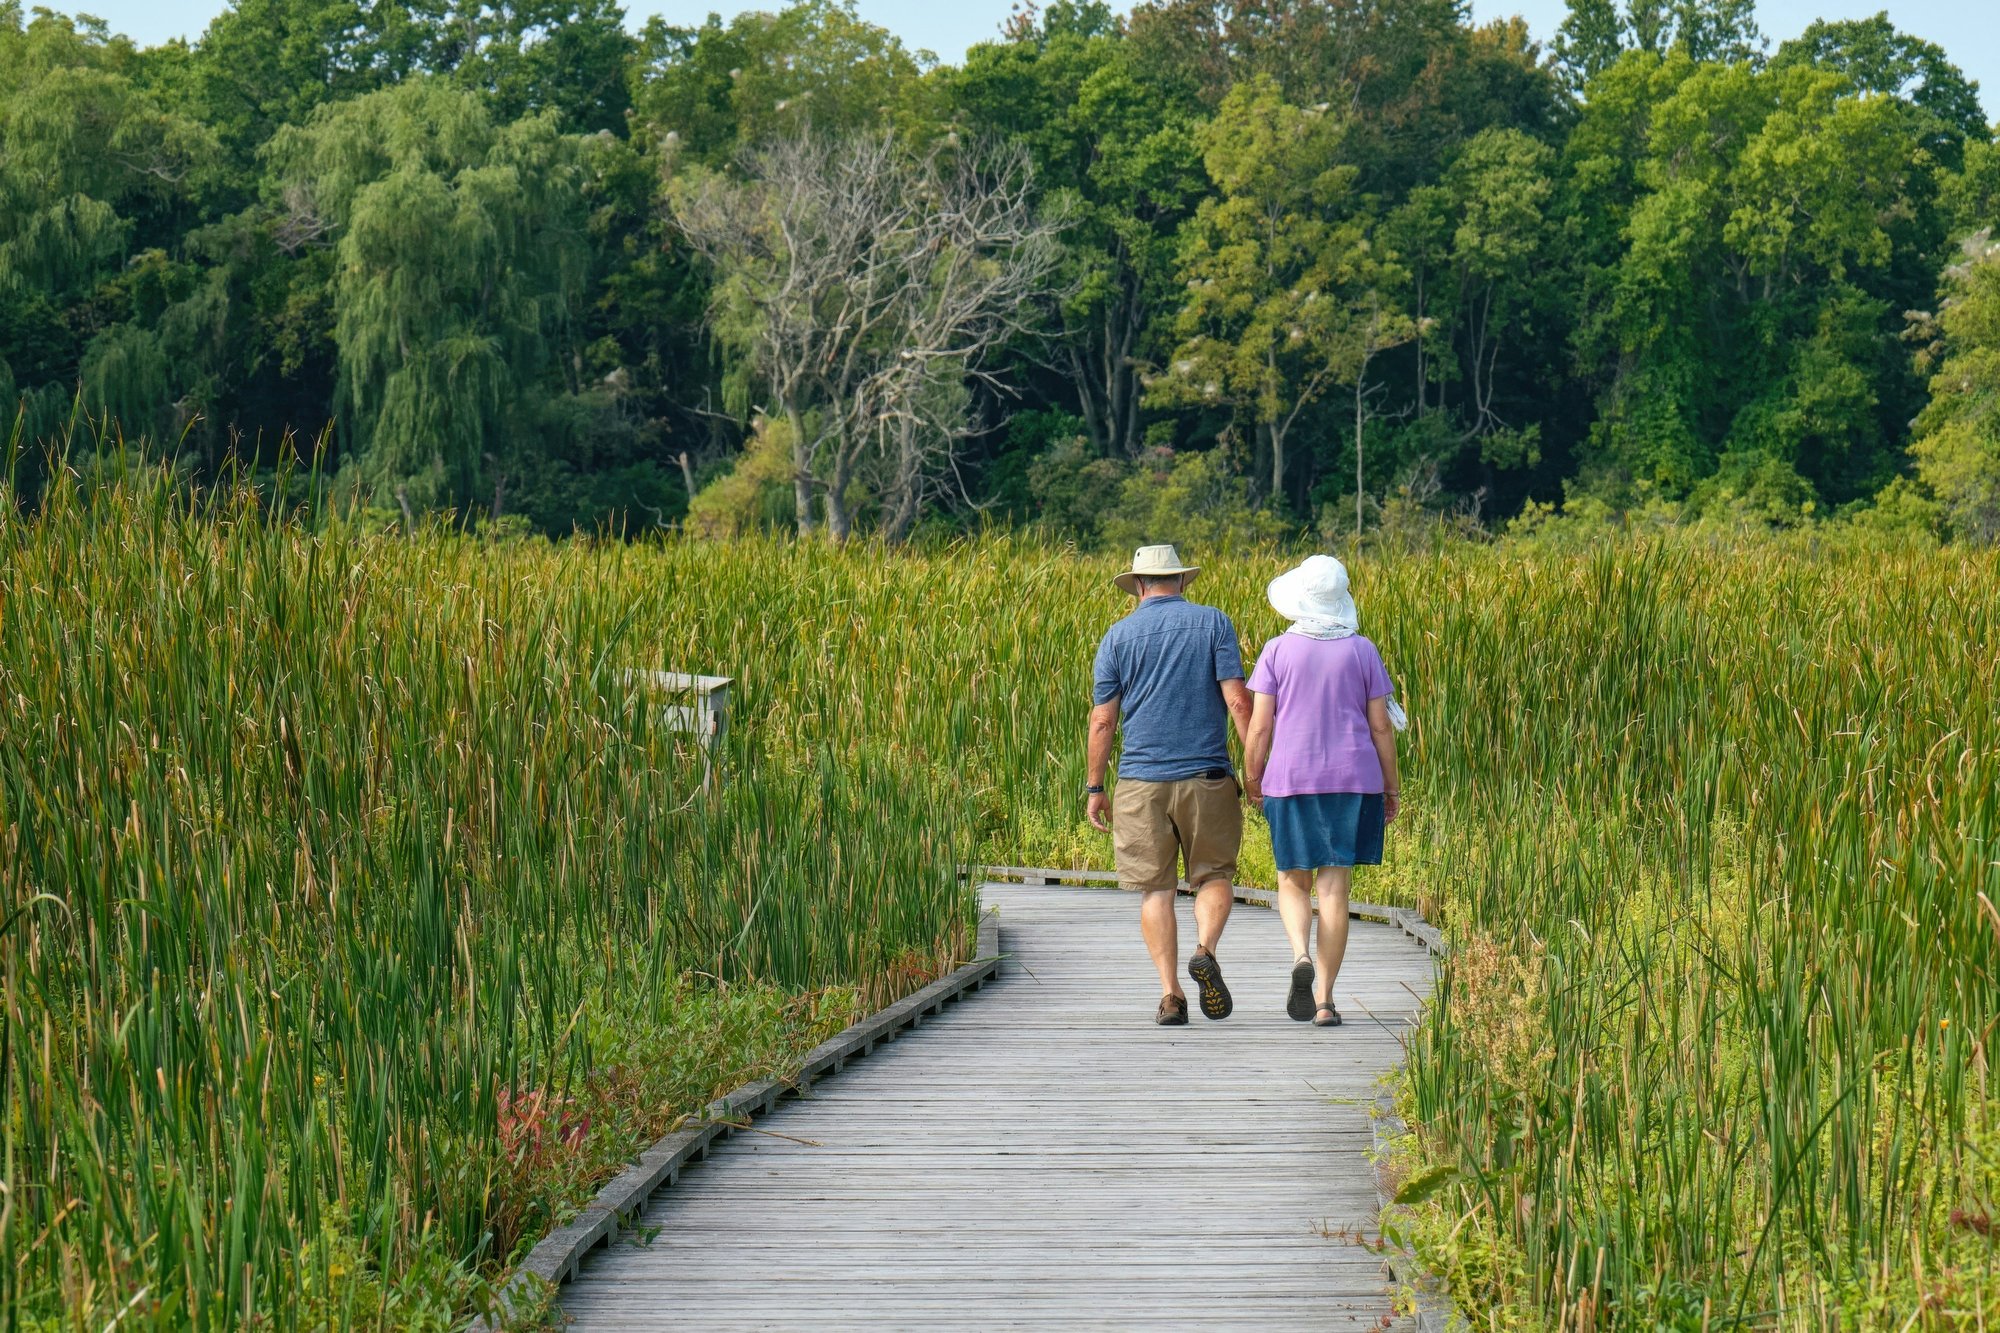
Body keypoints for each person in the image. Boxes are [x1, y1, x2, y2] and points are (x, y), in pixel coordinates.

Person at [1086, 544, 1255, 1025]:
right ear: (1181, 581)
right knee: (1214, 875)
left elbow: (1103, 721)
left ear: (1138, 585)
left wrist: (1095, 787)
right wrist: (1258, 768)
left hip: (1141, 782)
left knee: (1155, 891)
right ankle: (1205, 948)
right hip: (1208, 777)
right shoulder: (1214, 623)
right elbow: (1239, 703)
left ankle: (1170, 996)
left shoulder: (1116, 637)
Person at [1242, 555, 1403, 1028]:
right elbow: (1381, 727)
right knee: (1335, 888)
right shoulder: (1362, 650)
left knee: (1292, 878)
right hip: (1353, 779)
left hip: (1290, 779)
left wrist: (1253, 778)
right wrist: (1390, 786)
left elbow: (1259, 728)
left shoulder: (1276, 650)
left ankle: (1299, 957)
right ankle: (1327, 1001)